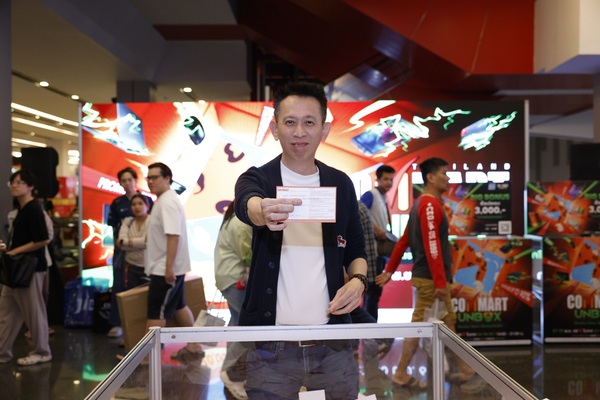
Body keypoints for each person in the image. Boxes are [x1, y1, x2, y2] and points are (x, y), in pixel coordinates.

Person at [234, 81, 368, 399]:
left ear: (324, 129)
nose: (299, 132)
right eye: (290, 122)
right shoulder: (258, 178)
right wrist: (261, 210)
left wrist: (358, 281)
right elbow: (247, 203)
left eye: (309, 122)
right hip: (271, 347)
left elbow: (356, 248)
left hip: (332, 346)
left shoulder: (340, 183)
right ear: (275, 129)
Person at [375, 157, 473, 391]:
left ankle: (465, 369)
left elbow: (404, 240)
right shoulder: (429, 205)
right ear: (430, 177)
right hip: (431, 281)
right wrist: (440, 282)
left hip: (430, 279)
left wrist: (390, 270)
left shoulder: (423, 204)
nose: (447, 178)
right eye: (443, 173)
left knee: (448, 322)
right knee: (419, 326)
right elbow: (432, 246)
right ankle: (400, 373)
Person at [145, 162, 203, 361]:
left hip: (165, 270)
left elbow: (173, 236)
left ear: (167, 178)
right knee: (179, 307)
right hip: (167, 267)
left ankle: (147, 359)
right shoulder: (165, 200)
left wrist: (168, 267)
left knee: (156, 313)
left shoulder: (167, 202)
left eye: (154, 177)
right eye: (148, 178)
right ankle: (194, 345)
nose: (150, 181)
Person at [0, 170, 52, 366]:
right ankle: (2, 352)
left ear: (31, 186)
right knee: (7, 311)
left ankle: (42, 351)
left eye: (20, 182)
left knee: (33, 311)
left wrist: (14, 251)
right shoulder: (23, 209)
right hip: (17, 268)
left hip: (29, 268)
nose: (14, 185)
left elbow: (42, 239)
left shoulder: (33, 209)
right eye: (13, 182)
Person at [107, 167, 153, 338]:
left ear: (135, 180)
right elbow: (115, 231)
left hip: (146, 256)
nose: (127, 183)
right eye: (123, 180)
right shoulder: (117, 203)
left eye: (129, 180)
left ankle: (144, 328)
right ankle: (117, 324)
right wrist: (122, 243)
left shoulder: (147, 199)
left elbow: (150, 237)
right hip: (122, 252)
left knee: (146, 291)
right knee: (119, 286)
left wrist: (131, 243)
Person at [214, 199, 252, 400]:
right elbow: (248, 255)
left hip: (229, 278)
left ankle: (231, 372)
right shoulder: (240, 222)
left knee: (237, 324)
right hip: (235, 280)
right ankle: (231, 374)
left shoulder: (232, 219)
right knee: (244, 328)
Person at [360, 164, 396, 321]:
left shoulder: (382, 197)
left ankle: (370, 325)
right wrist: (376, 230)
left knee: (374, 293)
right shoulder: (371, 195)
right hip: (371, 251)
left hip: (378, 251)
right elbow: (359, 212)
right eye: (385, 179)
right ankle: (369, 327)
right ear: (378, 179)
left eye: (391, 179)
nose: (389, 183)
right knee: (372, 292)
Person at [116, 193, 152, 290]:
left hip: (148, 268)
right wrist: (140, 243)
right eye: (133, 204)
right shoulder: (128, 221)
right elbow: (121, 243)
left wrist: (127, 242)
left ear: (147, 206)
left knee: (148, 296)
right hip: (130, 267)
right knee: (132, 296)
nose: (137, 207)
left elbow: (148, 242)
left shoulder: (153, 221)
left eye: (140, 203)